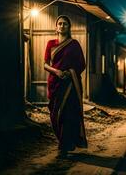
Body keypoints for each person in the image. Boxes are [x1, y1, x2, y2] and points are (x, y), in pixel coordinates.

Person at [44, 15, 87, 157]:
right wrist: (56, 71)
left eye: (65, 24)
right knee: (54, 114)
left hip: (70, 85)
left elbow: (81, 64)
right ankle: (65, 142)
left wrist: (69, 73)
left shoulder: (74, 44)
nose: (62, 26)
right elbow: (45, 64)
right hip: (54, 83)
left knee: (68, 114)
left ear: (69, 27)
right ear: (56, 27)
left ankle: (64, 146)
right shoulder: (50, 44)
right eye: (60, 24)